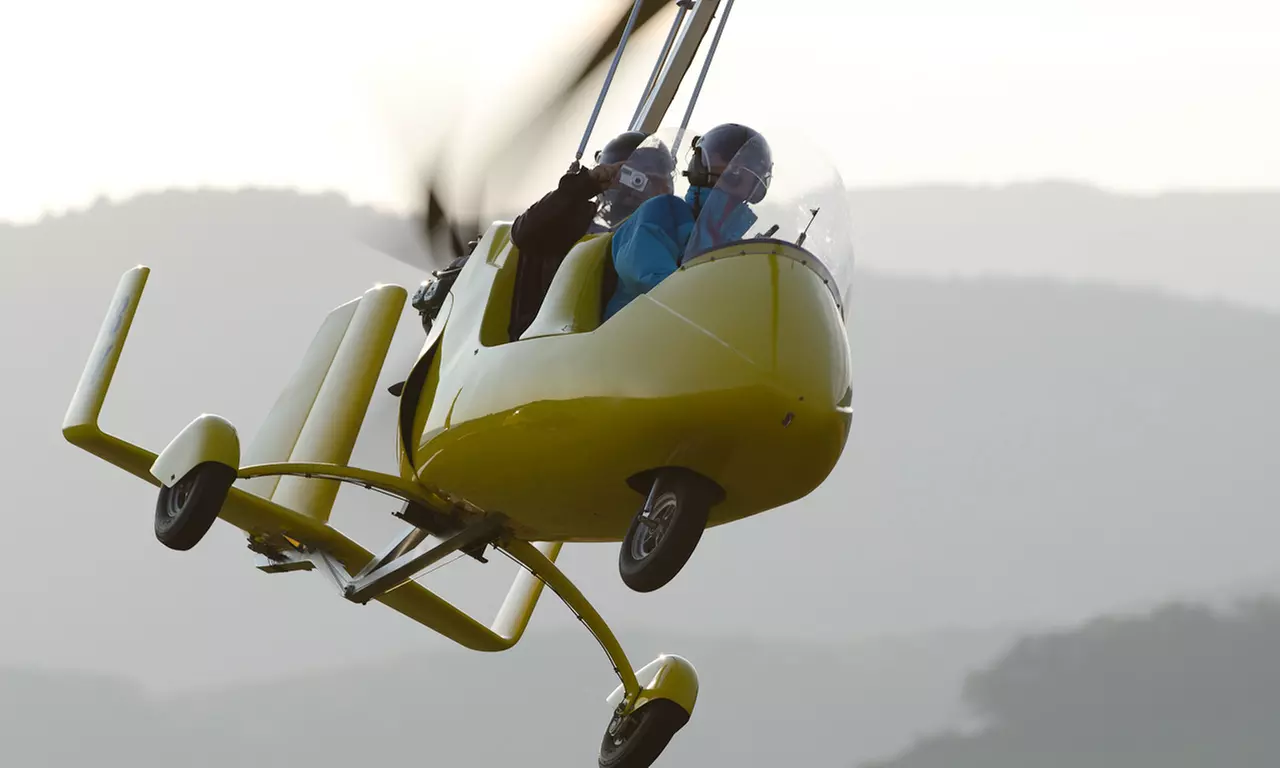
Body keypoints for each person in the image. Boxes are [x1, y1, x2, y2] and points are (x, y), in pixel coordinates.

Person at [602, 123, 772, 321]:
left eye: (750, 166)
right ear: (699, 165)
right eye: (730, 158)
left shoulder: (737, 248)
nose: (735, 170)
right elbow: (651, 279)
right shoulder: (663, 211)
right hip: (637, 332)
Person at [507, 131, 660, 340]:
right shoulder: (574, 219)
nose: (638, 182)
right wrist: (588, 182)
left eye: (652, 175)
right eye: (627, 172)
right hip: (557, 338)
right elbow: (522, 233)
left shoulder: (665, 228)